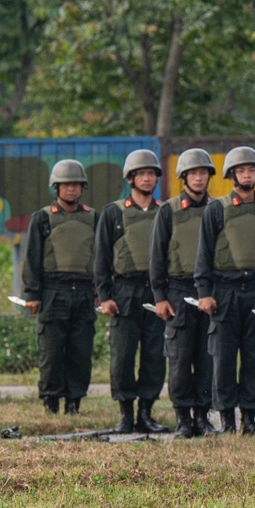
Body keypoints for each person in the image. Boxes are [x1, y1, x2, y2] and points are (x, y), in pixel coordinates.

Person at [194, 146, 255, 435]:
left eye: (251, 170)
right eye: (241, 170)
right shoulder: (216, 209)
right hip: (224, 292)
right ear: (231, 175)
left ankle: (250, 420)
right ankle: (227, 420)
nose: (247, 174)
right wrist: (204, 292)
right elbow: (203, 253)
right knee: (223, 359)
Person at [94, 149, 165, 433]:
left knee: (154, 353)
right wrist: (105, 295)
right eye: (141, 174)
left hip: (154, 291)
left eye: (151, 174)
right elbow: (100, 257)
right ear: (131, 178)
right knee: (122, 355)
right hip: (123, 290)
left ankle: (146, 413)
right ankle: (125, 414)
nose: (147, 179)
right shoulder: (113, 212)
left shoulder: (163, 211)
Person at [21, 160, 99, 416]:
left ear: (82, 187)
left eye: (76, 184)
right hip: (53, 291)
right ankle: (51, 402)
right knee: (52, 352)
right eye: (66, 185)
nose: (71, 190)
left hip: (85, 291)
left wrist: (100, 292)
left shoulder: (93, 217)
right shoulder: (42, 218)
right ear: (56, 187)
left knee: (80, 351)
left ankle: (74, 402)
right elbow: (32, 257)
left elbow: (100, 257)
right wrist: (32, 293)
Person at [150, 148, 219, 437]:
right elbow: (157, 256)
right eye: (194, 173)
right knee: (179, 357)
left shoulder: (218, 208)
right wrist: (160, 297)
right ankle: (182, 418)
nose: (199, 178)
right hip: (178, 290)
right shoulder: (169, 210)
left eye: (203, 173)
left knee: (207, 357)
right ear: (184, 178)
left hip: (210, 291)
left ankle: (203, 416)